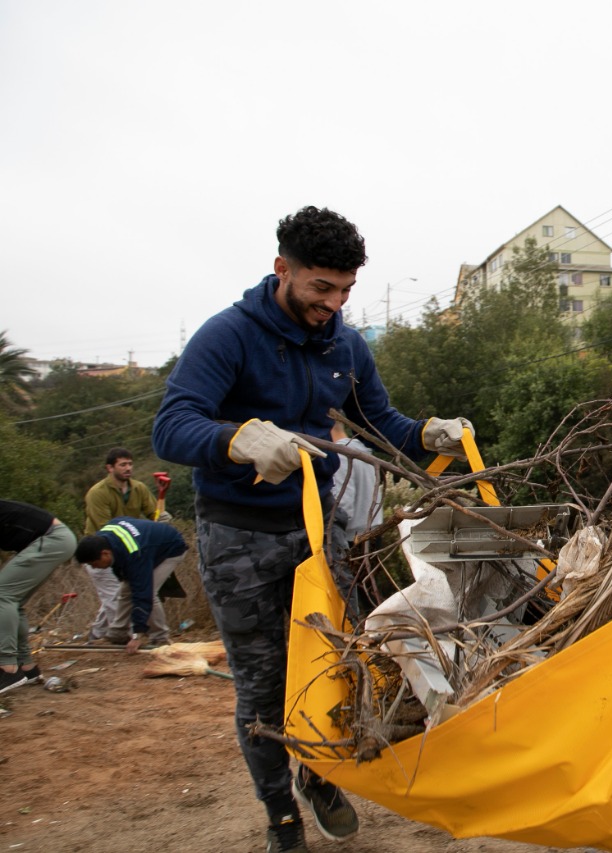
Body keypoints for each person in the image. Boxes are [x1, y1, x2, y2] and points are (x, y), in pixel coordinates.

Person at [151, 205, 473, 853]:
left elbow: (380, 423)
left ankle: (316, 770)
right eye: (320, 287)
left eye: (345, 289)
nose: (334, 302)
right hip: (237, 535)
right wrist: (235, 437)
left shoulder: (345, 345)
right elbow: (171, 426)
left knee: (335, 665)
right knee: (264, 686)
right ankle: (283, 820)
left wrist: (429, 434)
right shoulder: (229, 336)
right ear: (283, 270)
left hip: (317, 532)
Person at [82, 447, 172, 643]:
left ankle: (98, 635)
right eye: (122, 464)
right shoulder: (97, 493)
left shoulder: (139, 488)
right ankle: (122, 638)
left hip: (129, 550)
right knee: (116, 596)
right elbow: (103, 529)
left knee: (118, 595)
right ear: (109, 468)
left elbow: (152, 514)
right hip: (101, 553)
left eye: (130, 464)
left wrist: (161, 519)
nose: (128, 468)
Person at [73, 517, 187, 654]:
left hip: (171, 548)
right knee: (126, 591)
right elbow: (122, 571)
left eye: (94, 563)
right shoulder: (103, 540)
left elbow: (142, 594)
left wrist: (137, 635)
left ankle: (160, 637)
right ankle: (118, 633)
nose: (95, 567)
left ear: (105, 553)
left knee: (150, 593)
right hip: (148, 545)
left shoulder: (135, 554)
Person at [0, 500, 76, 693]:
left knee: (3, 595)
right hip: (56, 540)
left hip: (52, 540)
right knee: (13, 601)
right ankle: (27, 667)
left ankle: (6, 668)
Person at [329, 421, 383, 550]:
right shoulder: (361, 450)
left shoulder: (339, 454)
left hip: (352, 540)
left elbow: (342, 506)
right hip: (373, 533)